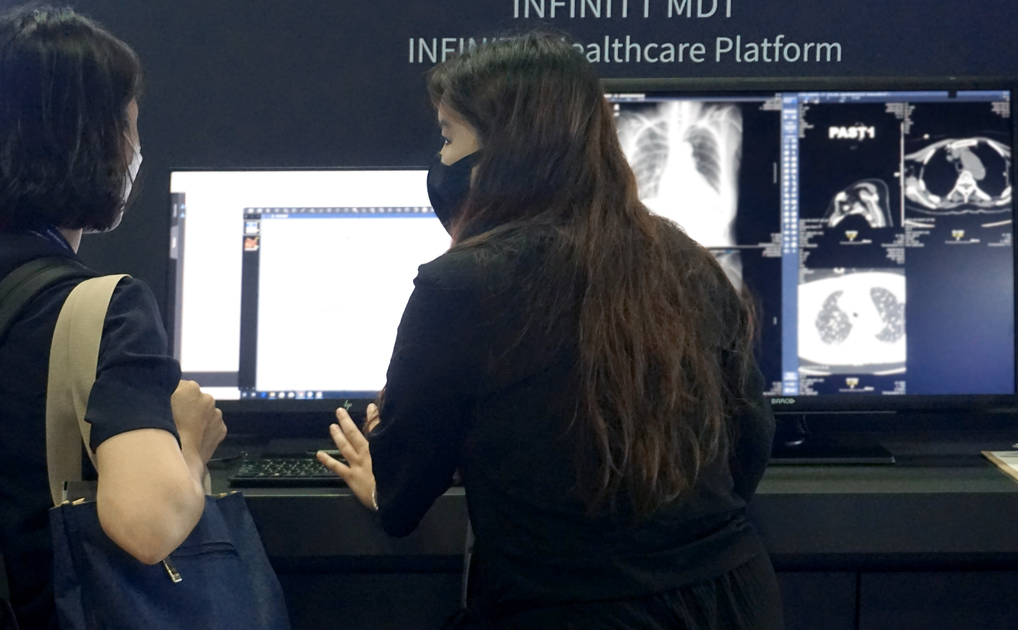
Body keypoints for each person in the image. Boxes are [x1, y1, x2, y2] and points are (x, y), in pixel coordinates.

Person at [319, 33, 781, 628]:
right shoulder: (685, 260)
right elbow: (750, 441)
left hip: (574, 611)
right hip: (733, 597)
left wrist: (380, 471)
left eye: (448, 137)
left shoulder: (460, 285)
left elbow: (402, 496)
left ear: (503, 153)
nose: (441, 159)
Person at [0, 4, 225, 629]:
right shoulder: (107, 311)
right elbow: (148, 525)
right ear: (94, 143)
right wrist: (190, 443)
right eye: (129, 126)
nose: (135, 149)